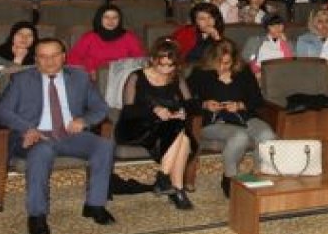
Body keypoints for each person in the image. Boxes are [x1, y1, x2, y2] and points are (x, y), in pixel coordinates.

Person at [0, 37, 116, 234]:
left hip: (69, 134)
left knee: (104, 145)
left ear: (63, 57)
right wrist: (27, 128)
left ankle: (94, 205)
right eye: (43, 57)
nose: (49, 62)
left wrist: (84, 121)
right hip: (35, 137)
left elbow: (100, 107)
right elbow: (2, 111)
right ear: (36, 59)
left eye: (54, 56)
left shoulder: (80, 77)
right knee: (43, 150)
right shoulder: (22, 80)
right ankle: (37, 216)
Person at [188, 40, 277, 198]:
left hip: (244, 117)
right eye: (219, 63)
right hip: (215, 121)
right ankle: (230, 178)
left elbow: (257, 100)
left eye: (227, 63)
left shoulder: (243, 72)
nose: (223, 67)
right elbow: (186, 101)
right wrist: (205, 104)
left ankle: (257, 175)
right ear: (211, 60)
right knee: (240, 136)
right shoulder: (200, 73)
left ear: (234, 60)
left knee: (268, 136)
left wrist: (240, 105)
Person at [115, 40, 194, 210]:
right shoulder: (137, 77)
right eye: (162, 65)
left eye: (170, 66)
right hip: (136, 127)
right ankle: (170, 184)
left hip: (166, 126)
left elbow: (191, 103)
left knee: (182, 134)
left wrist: (182, 111)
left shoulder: (176, 79)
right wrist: (154, 110)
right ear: (152, 59)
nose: (166, 69)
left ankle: (171, 184)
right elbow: (128, 110)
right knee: (181, 135)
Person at [67, 4, 146, 80]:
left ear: (119, 20)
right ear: (100, 19)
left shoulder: (129, 37)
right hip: (93, 78)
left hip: (122, 78)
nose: (111, 21)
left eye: (115, 17)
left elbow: (140, 59)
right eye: (106, 17)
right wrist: (89, 69)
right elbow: (73, 58)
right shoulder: (89, 37)